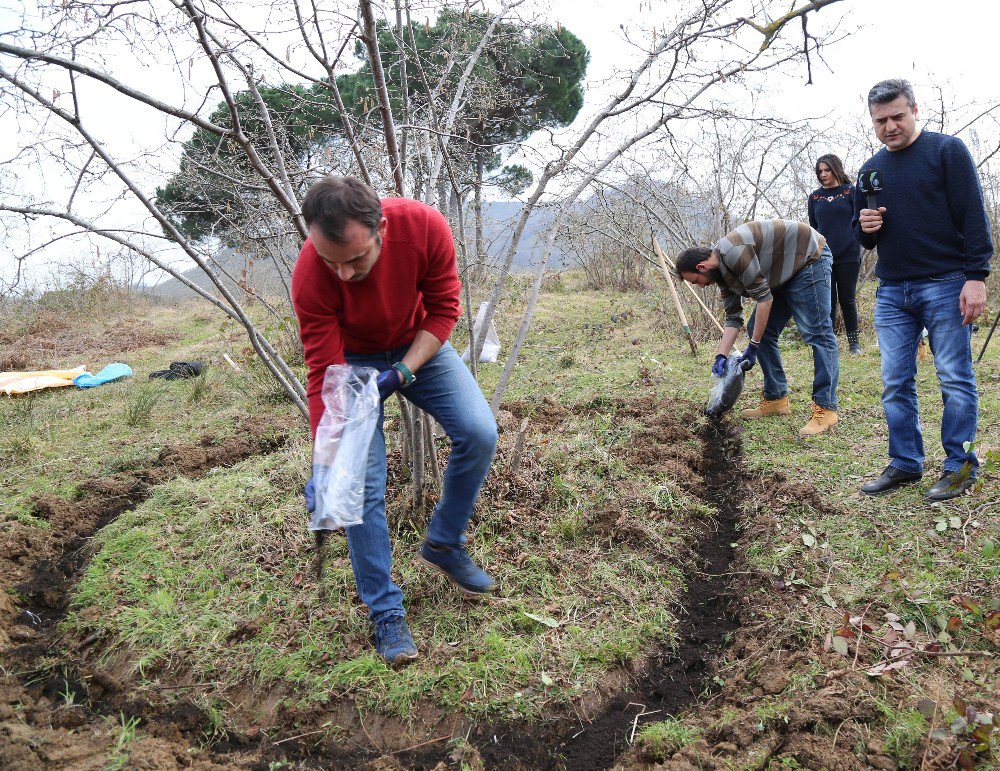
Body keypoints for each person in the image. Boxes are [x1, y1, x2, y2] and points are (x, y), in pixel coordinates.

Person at [292, 176, 498, 665]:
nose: (343, 275)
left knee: (478, 431)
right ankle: (385, 611)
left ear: (381, 227)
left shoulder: (424, 227)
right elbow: (324, 369)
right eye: (331, 262)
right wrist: (328, 460)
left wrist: (405, 369)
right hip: (352, 364)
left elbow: (446, 308)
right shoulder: (311, 274)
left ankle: (445, 543)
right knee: (362, 487)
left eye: (356, 260)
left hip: (417, 343)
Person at [853, 79, 993, 501]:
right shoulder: (870, 169)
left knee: (953, 377)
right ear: (872, 122)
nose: (890, 126)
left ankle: (959, 466)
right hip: (893, 289)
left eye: (898, 116)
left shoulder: (946, 151)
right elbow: (863, 238)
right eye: (881, 120)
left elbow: (972, 215)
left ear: (915, 109)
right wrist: (864, 228)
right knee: (895, 380)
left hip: (948, 283)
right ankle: (905, 463)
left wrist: (976, 277)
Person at [675, 219, 840, 438]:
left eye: (696, 281)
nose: (701, 286)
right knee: (757, 328)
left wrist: (753, 346)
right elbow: (733, 318)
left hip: (808, 258)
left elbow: (764, 300)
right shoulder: (722, 276)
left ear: (702, 267)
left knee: (817, 331)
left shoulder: (733, 253)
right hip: (782, 274)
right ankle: (776, 399)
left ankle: (826, 409)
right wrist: (720, 356)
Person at [808, 154, 862, 354]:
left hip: (849, 254)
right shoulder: (815, 197)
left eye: (827, 170)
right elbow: (814, 227)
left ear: (836, 169)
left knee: (847, 299)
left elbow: (858, 221)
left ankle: (854, 344)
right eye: (820, 171)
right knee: (827, 303)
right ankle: (829, 345)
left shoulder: (851, 192)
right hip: (823, 256)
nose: (823, 174)